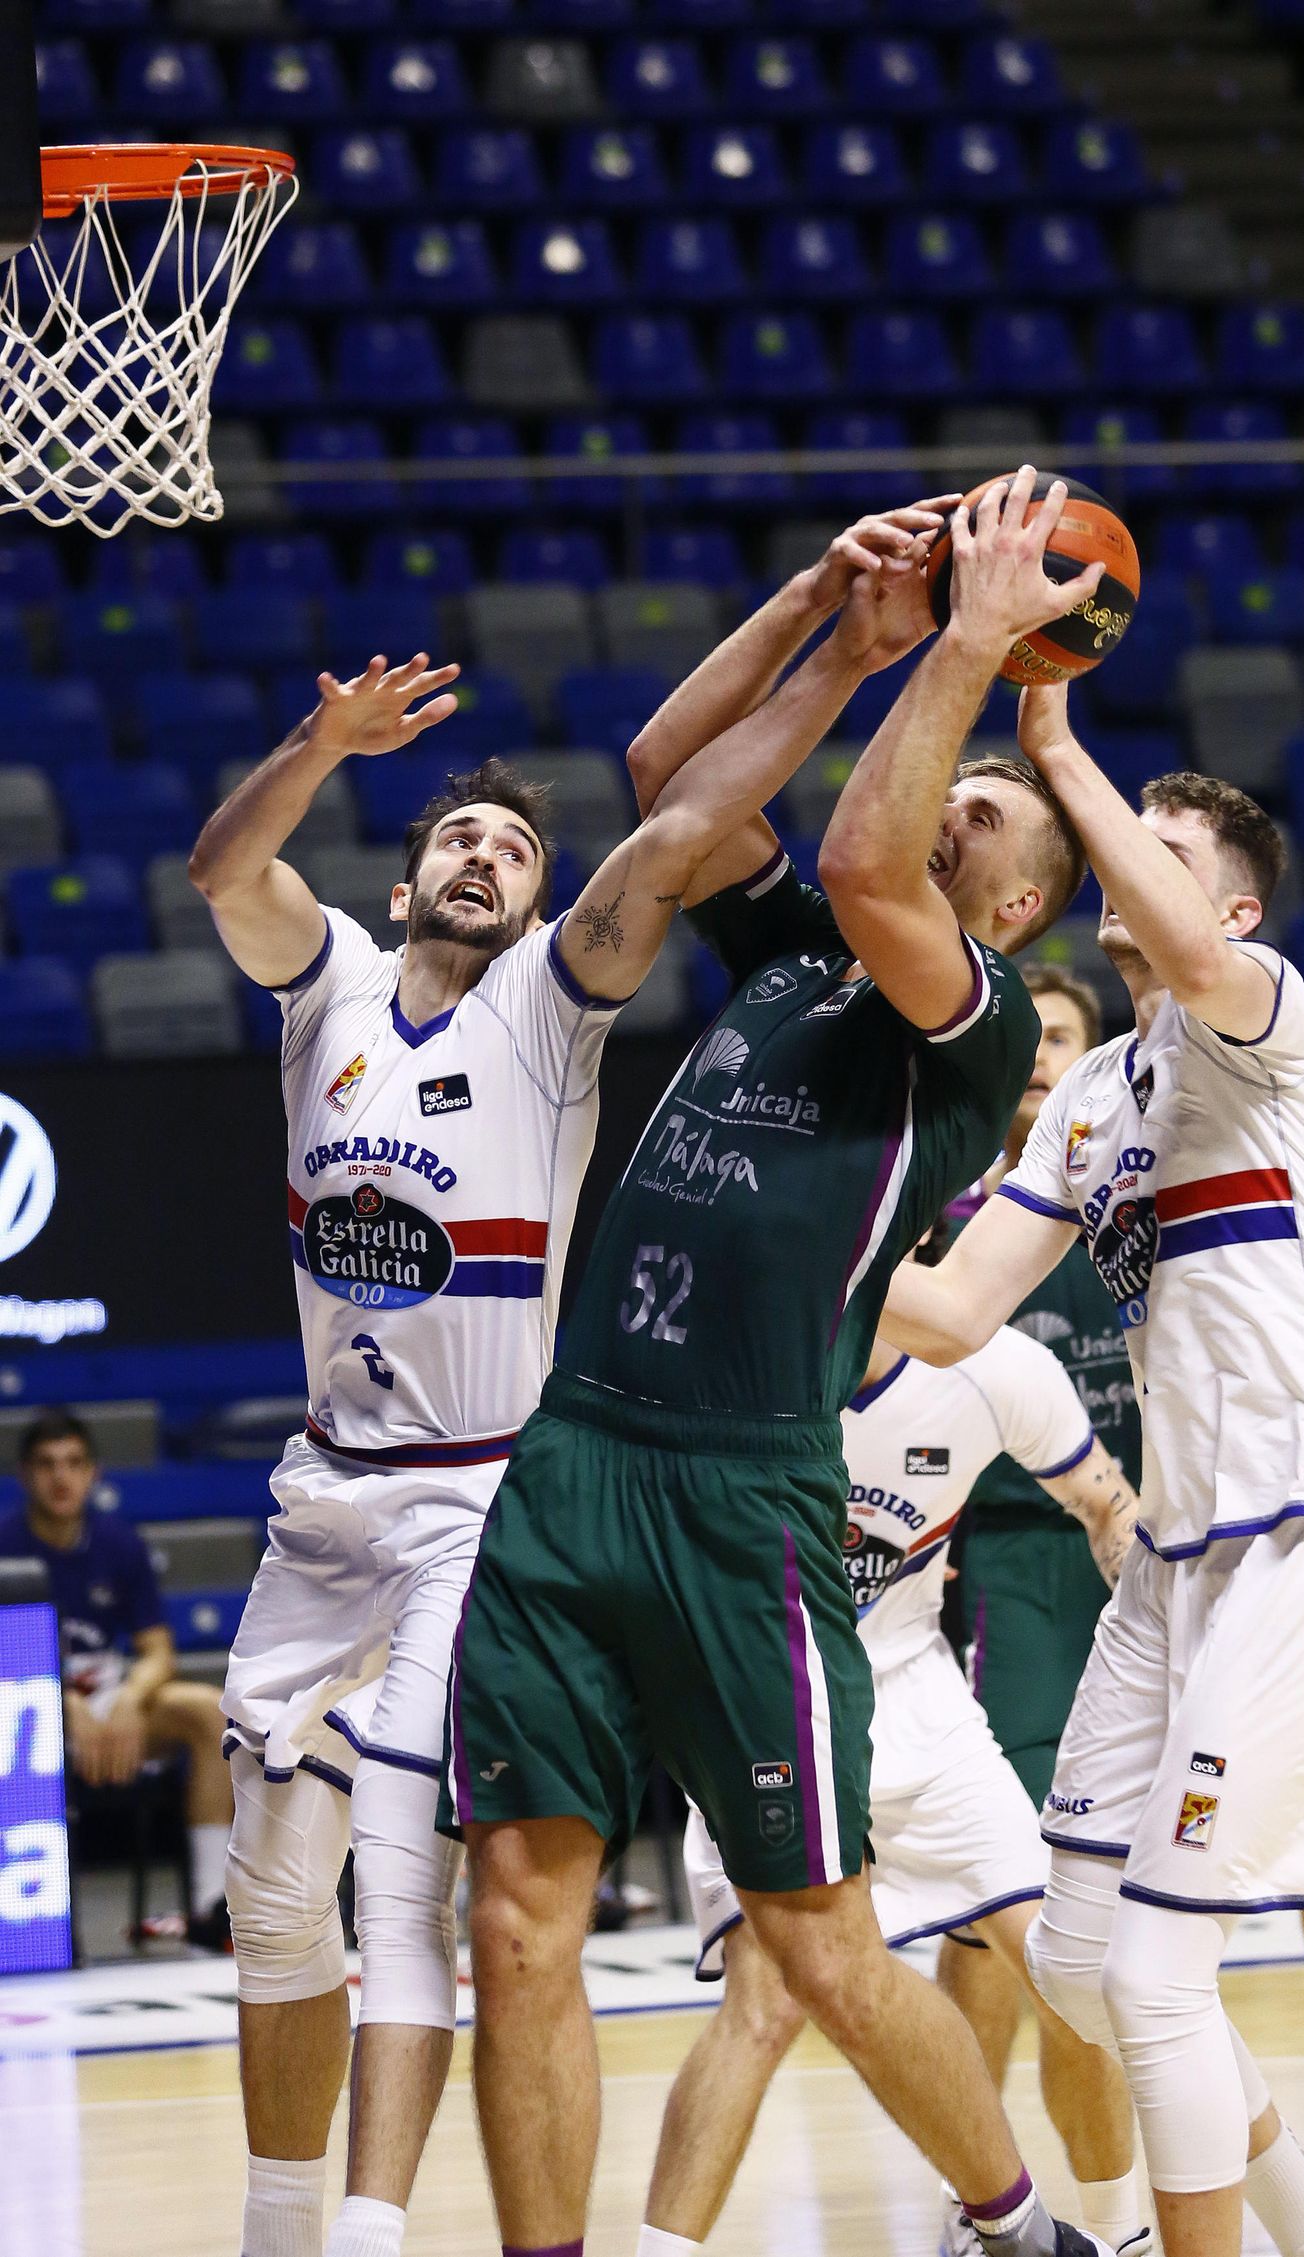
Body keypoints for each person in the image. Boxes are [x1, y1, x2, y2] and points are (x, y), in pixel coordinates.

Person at [189, 544, 935, 2257]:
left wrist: (834, 663)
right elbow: (226, 864)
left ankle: (368, 2234)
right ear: (400, 885)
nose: (484, 853)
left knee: (402, 1878)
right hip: (326, 1499)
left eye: (516, 849)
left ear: (539, 910)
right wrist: (321, 748)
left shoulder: (547, 1009)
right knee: (275, 1906)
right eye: (459, 834)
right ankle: (278, 2226)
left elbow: (675, 841)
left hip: (481, 1498)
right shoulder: (327, 995)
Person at [447, 473, 1124, 2257]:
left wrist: (973, 644)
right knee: (516, 1919)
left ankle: (1014, 2226)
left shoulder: (964, 1027)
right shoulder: (807, 952)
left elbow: (860, 854)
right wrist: (833, 612)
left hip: (744, 1494)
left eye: (981, 797)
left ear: (1028, 894)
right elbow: (673, 771)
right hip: (577, 1448)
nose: (948, 791)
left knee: (815, 1934)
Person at [883, 666, 1304, 2257]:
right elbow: (961, 1306)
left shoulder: (1272, 1020)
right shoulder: (1096, 1096)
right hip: (1177, 1562)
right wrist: (774, 1263)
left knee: (1156, 1976)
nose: (1128, 873)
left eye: (1164, 853)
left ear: (1236, 910)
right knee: (1078, 1960)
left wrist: (1052, 738)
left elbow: (1182, 941)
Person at [945, 974, 1304, 2231]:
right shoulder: (1022, 1193)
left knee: (1260, 1885)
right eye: (1029, 1047)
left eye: (1060, 1036)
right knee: (1069, 1951)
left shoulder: (1237, 1080)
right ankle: (1257, 2222)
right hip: (1107, 1559)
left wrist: (1065, 768)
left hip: (1282, 1537)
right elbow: (945, 1330)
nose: (1040, 1062)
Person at [644, 1317, 1146, 2257]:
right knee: (765, 2001)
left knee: (1071, 1967)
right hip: (767, 1690)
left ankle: (1118, 2238)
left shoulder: (997, 1370)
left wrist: (1146, 1591)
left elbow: (1105, 1502)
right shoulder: (727, 1358)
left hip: (913, 1689)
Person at [0, 1408, 235, 1950]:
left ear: (94, 1473)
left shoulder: (118, 1543)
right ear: (24, 1475)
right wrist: (59, 1702)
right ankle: (36, 1928)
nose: (61, 1477)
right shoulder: (7, 1544)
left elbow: (157, 1650)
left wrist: (131, 1696)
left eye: (74, 1463)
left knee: (206, 1709)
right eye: (47, 1464)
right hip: (25, 1711)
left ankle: (208, 1909)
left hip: (104, 1703)